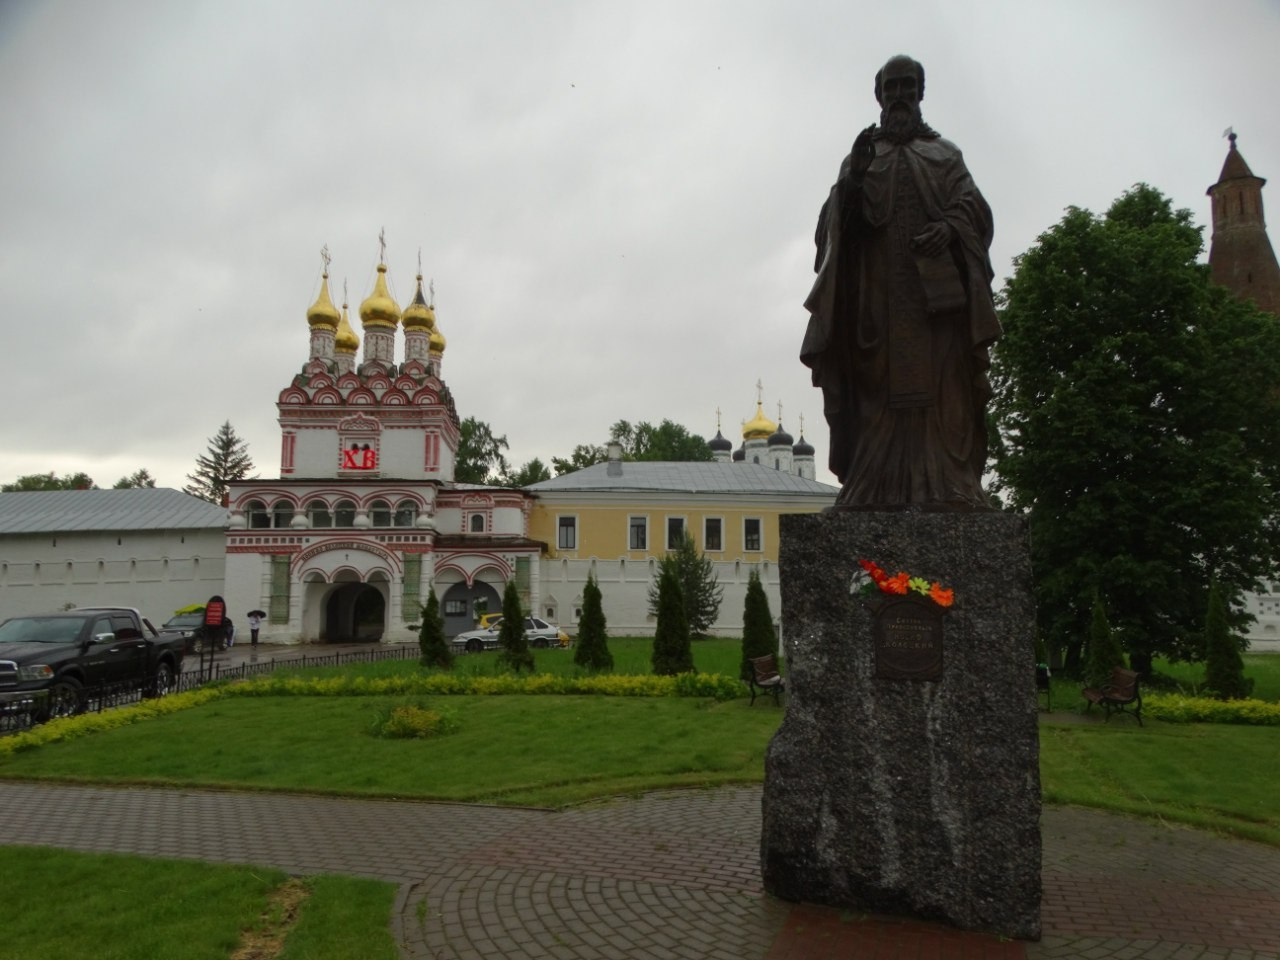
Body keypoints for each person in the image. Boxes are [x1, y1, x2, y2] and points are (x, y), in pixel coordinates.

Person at [801, 54, 1001, 509]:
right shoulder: (861, 157)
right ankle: (873, 485)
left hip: (938, 310)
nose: (898, 96)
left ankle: (951, 485)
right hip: (878, 305)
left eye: (906, 86)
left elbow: (976, 210)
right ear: (878, 95)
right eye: (890, 88)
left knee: (946, 398)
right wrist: (853, 181)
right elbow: (833, 228)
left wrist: (950, 227)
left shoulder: (945, 155)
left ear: (920, 93)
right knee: (876, 399)